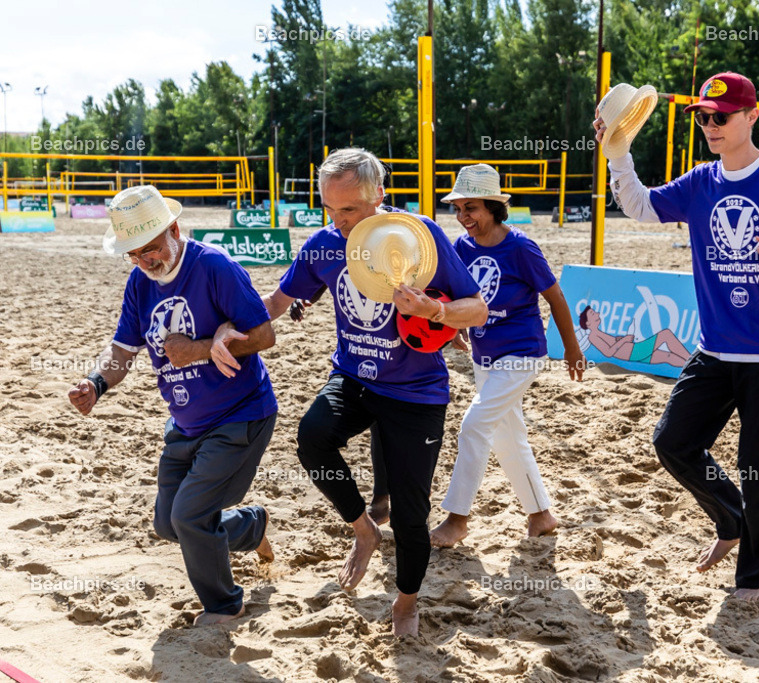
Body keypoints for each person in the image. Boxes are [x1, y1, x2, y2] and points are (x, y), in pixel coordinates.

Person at [593, 72, 759, 601]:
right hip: (715, 350)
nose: (711, 125)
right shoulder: (700, 181)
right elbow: (641, 207)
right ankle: (731, 520)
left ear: (752, 116)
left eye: (722, 116)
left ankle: (757, 580)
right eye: (703, 117)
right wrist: (617, 153)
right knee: (672, 442)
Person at [256, 148, 487, 637]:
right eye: (330, 210)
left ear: (378, 196)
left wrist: (434, 312)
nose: (338, 222)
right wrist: (225, 328)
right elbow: (276, 301)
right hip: (355, 379)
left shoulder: (418, 237)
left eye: (350, 210)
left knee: (410, 514)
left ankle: (406, 603)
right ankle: (363, 530)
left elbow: (477, 309)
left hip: (416, 392)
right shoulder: (323, 245)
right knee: (312, 436)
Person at [68, 185, 278, 626]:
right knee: (168, 523)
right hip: (185, 422)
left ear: (174, 229)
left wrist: (198, 349)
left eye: (151, 248)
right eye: (134, 253)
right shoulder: (139, 284)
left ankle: (225, 606)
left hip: (239, 414)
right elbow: (123, 351)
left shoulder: (214, 266)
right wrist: (95, 383)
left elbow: (264, 336)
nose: (146, 260)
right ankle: (251, 526)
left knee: (189, 516)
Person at [428, 164, 586, 548]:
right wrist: (455, 330)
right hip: (484, 355)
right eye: (459, 209)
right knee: (508, 437)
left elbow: (556, 297)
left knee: (474, 425)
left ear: (494, 208)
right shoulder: (461, 247)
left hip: (521, 355)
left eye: (472, 208)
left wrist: (571, 347)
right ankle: (540, 515)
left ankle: (457, 519)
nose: (464, 217)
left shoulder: (520, 247)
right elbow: (458, 296)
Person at [577, 305, 690, 367]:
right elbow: (608, 353)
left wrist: (619, 339)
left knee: (668, 357)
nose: (597, 313)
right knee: (666, 334)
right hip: (635, 352)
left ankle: (691, 368)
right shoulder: (593, 336)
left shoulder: (598, 333)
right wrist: (624, 340)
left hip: (634, 353)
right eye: (593, 313)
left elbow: (613, 345)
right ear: (588, 323)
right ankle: (692, 361)